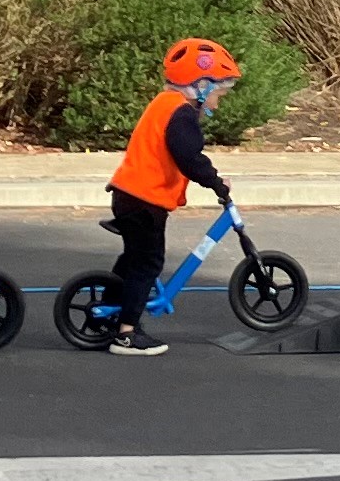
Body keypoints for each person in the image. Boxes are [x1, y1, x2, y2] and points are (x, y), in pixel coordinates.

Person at [102, 35, 242, 356]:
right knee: (148, 262)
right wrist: (217, 183)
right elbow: (189, 158)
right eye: (219, 91)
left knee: (132, 259)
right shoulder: (181, 114)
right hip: (143, 199)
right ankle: (125, 334)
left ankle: (110, 311)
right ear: (200, 85)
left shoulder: (163, 104)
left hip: (130, 194)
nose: (219, 100)